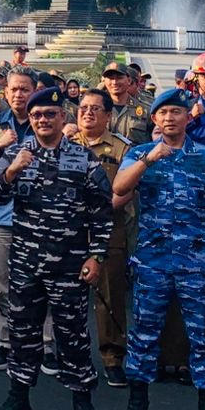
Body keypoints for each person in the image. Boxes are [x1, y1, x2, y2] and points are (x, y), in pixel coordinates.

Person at [0, 85, 112, 410]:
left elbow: (101, 212)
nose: (43, 120)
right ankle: (18, 396)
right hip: (26, 262)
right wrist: (12, 171)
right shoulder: (16, 152)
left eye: (50, 114)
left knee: (72, 333)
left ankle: (82, 401)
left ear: (62, 118)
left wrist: (97, 256)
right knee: (22, 331)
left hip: (69, 263)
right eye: (37, 115)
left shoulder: (82, 157)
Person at [113, 88, 205, 410]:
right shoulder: (138, 153)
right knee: (144, 334)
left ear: (188, 117)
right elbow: (118, 192)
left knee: (204, 337)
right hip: (152, 262)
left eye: (176, 112)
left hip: (196, 263)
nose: (169, 118)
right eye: (163, 113)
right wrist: (149, 159)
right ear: (154, 119)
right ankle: (138, 403)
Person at [0, 67, 37, 373]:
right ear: (5, 91)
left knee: (42, 283)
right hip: (0, 215)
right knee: (1, 284)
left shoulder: (45, 120)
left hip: (39, 215)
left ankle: (47, 345)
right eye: (13, 89)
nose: (18, 95)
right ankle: (6, 342)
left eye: (24, 89)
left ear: (34, 91)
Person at [71, 89, 132, 387]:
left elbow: (126, 190)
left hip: (108, 230)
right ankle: (71, 355)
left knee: (109, 296)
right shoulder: (65, 144)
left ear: (109, 116)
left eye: (96, 109)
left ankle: (112, 357)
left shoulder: (121, 149)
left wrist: (98, 213)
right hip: (68, 232)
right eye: (83, 107)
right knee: (67, 297)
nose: (88, 113)